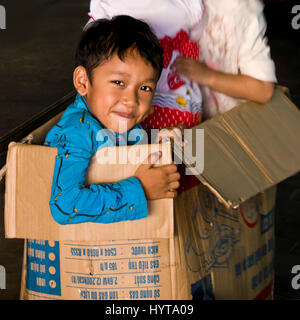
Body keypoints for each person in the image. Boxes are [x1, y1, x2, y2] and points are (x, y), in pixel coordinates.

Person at [44, 15, 180, 225]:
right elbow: (65, 206)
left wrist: (164, 142)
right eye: (118, 82)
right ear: (83, 82)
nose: (131, 100)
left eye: (145, 88)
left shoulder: (120, 123)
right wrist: (141, 190)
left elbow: (134, 152)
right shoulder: (77, 131)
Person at [87, 0, 206, 130]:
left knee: (189, 144)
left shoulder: (189, 4)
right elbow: (92, 54)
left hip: (177, 109)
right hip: (129, 112)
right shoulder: (106, 4)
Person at [173, 0, 277, 119]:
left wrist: (207, 75)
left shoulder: (242, 11)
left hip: (221, 124)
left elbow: (263, 89)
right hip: (164, 117)